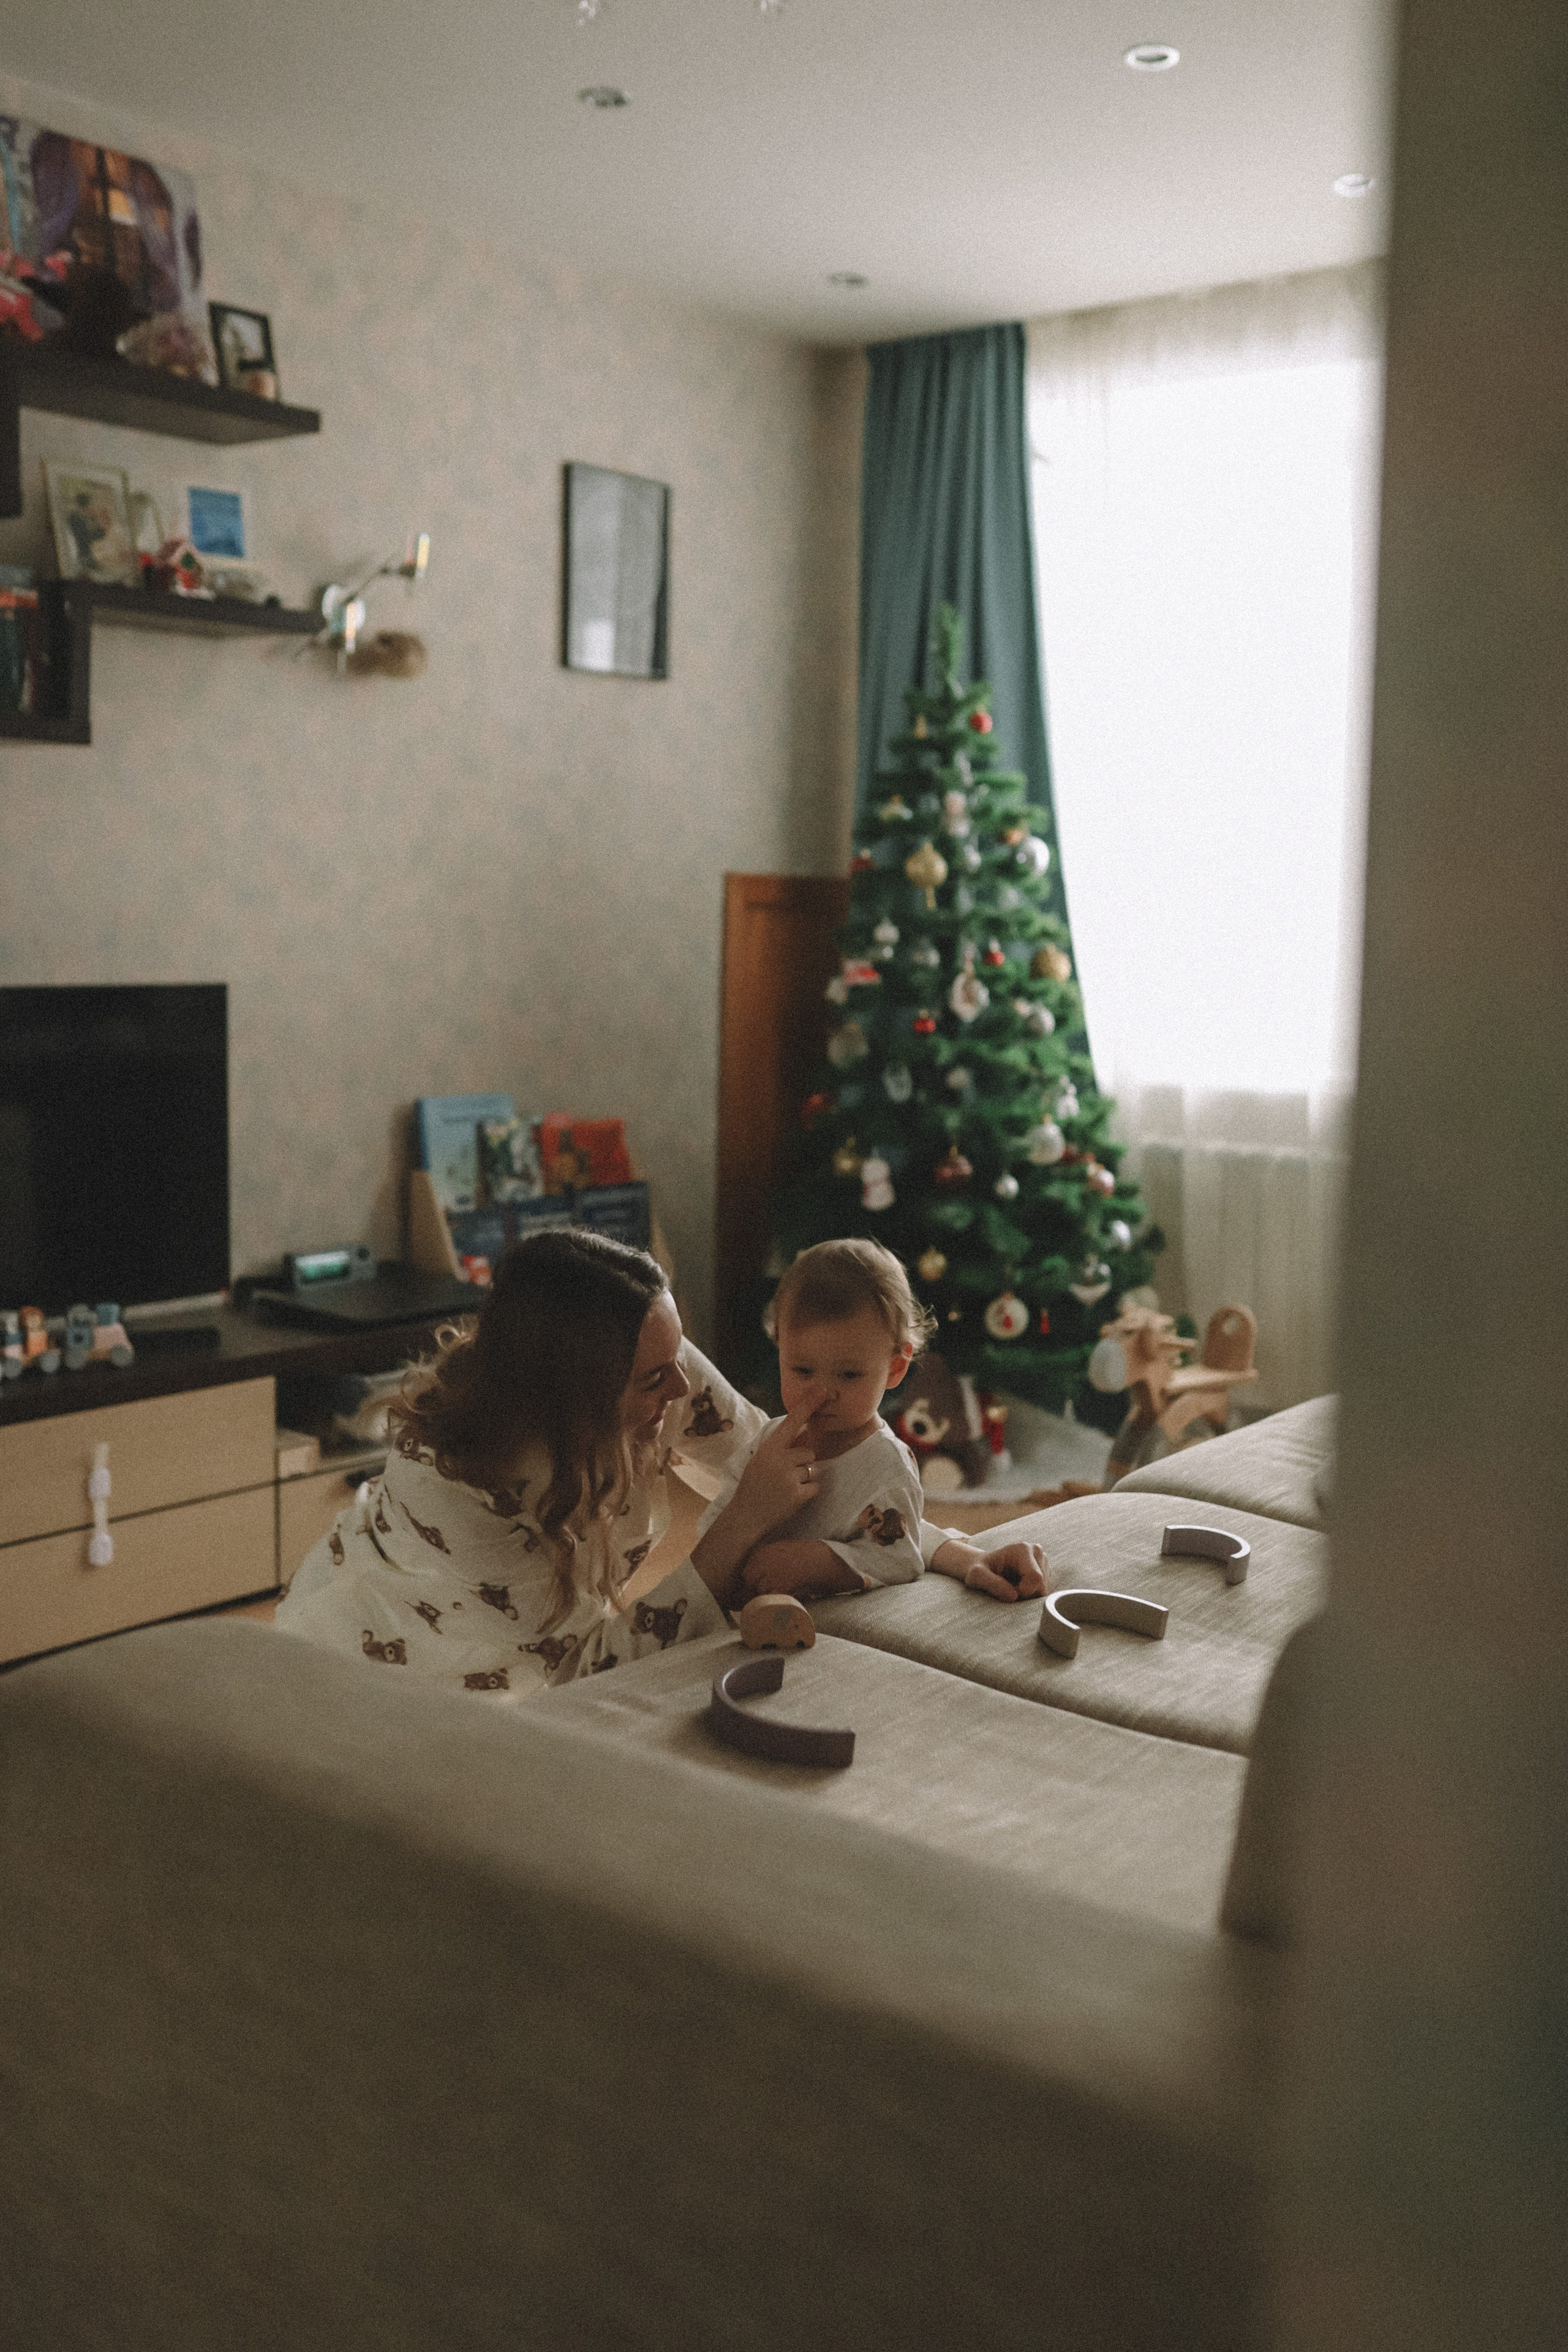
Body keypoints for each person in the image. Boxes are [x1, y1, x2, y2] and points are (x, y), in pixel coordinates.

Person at [276, 1228, 1046, 1698]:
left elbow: (815, 1472)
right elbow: (580, 1675)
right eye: (655, 1379)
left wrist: (956, 1552)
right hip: (414, 1663)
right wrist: (739, 1526)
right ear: (578, 1394)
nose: (682, 1391)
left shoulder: (652, 1359)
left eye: (678, 1358)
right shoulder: (465, 1491)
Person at [699, 1238, 1047, 1606]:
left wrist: (822, 1561)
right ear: (780, 1347)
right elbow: (717, 1523)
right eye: (802, 1370)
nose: (822, 1394)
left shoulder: (886, 1463)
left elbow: (900, 1557)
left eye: (849, 1375)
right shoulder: (770, 1440)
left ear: (895, 1368)